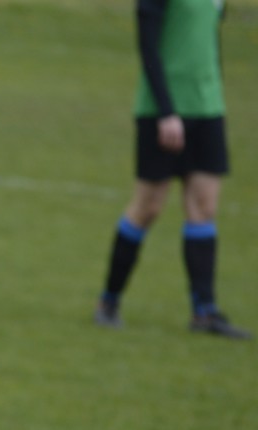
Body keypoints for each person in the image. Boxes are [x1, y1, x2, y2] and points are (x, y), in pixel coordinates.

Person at [94, 0, 250, 339]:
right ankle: (108, 301)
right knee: (148, 207)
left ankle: (204, 311)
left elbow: (205, 40)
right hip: (162, 111)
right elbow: (148, 45)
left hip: (208, 107)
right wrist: (166, 111)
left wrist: (214, 91)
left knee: (204, 207)